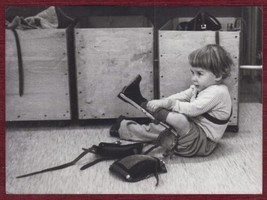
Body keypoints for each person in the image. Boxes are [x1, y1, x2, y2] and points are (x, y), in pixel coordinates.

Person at [110, 44, 234, 157]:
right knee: (158, 129)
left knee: (178, 118)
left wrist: (168, 104)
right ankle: (122, 128)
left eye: (199, 74)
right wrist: (162, 102)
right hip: (190, 134)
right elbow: (182, 96)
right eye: (192, 73)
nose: (194, 78)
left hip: (201, 143)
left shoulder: (218, 92)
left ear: (217, 75)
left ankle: (139, 101)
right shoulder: (202, 87)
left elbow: (193, 109)